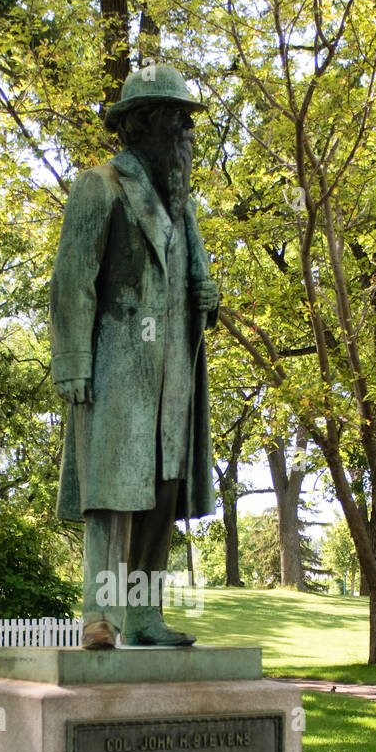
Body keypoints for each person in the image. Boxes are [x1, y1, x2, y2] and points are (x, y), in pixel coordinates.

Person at [50, 63, 219, 648]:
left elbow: (183, 279)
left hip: (175, 372)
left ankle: (143, 616)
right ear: (144, 124)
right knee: (113, 493)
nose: (186, 139)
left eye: (188, 127)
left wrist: (206, 297)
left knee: (162, 490)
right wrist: (72, 360)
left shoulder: (182, 205)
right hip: (117, 365)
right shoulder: (101, 186)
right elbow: (72, 281)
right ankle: (99, 614)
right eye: (178, 124)